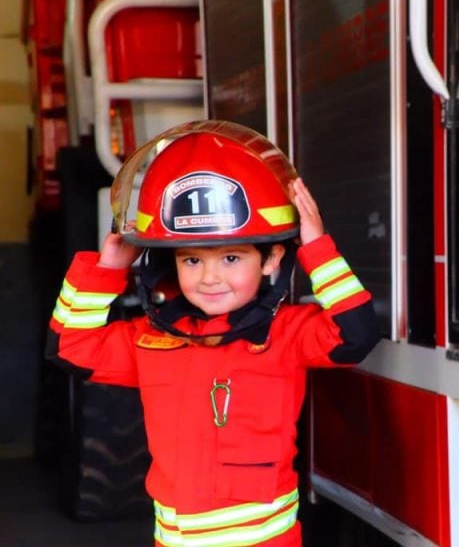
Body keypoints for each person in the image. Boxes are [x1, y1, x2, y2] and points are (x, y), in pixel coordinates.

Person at [47, 120, 380, 547]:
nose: (209, 278)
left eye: (231, 258)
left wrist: (317, 247)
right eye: (191, 261)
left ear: (271, 258)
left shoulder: (288, 334)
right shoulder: (151, 339)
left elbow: (357, 335)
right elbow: (69, 349)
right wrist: (108, 270)